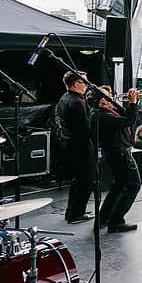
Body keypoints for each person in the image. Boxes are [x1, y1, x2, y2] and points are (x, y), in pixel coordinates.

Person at [92, 87, 142, 233]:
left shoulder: (102, 113)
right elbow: (128, 121)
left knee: (118, 185)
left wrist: (132, 103)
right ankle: (117, 221)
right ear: (101, 101)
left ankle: (104, 217)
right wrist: (132, 103)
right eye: (108, 98)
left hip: (113, 154)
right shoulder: (104, 116)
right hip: (120, 154)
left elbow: (123, 115)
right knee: (133, 185)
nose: (112, 100)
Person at [55, 71, 94, 224]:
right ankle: (77, 213)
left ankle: (73, 211)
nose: (87, 85)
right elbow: (85, 128)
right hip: (80, 146)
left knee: (77, 180)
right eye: (84, 82)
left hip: (70, 144)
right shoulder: (77, 102)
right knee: (86, 180)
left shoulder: (65, 98)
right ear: (76, 84)